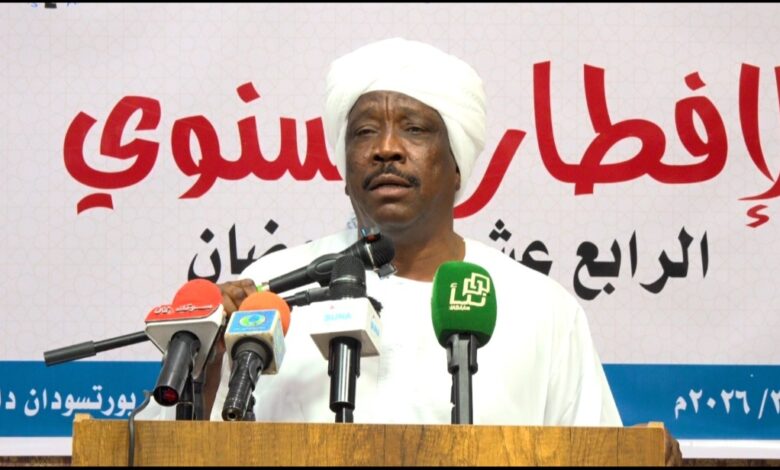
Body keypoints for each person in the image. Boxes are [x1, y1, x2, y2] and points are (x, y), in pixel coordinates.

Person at [200, 37, 680, 464]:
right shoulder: (269, 294)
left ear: (456, 166)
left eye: (414, 129)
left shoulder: (541, 309)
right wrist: (208, 365)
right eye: (365, 132)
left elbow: (594, 450)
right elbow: (193, 446)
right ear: (344, 167)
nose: (386, 149)